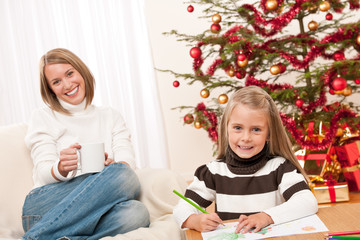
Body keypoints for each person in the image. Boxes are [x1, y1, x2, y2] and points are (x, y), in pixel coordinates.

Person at [22, 48, 150, 240]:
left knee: (137, 213)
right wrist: (60, 168)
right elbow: (43, 171)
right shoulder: (43, 116)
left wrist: (111, 167)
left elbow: (126, 163)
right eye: (56, 82)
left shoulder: (110, 116)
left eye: (70, 73)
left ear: (81, 71)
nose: (67, 84)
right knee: (122, 175)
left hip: (92, 209)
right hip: (44, 205)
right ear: (50, 89)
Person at [173, 85, 318, 234]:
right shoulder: (213, 172)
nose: (246, 138)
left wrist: (266, 217)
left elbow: (307, 202)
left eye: (256, 129)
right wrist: (194, 220)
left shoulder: (280, 168)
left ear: (269, 134)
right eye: (237, 128)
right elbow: (181, 209)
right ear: (226, 128)